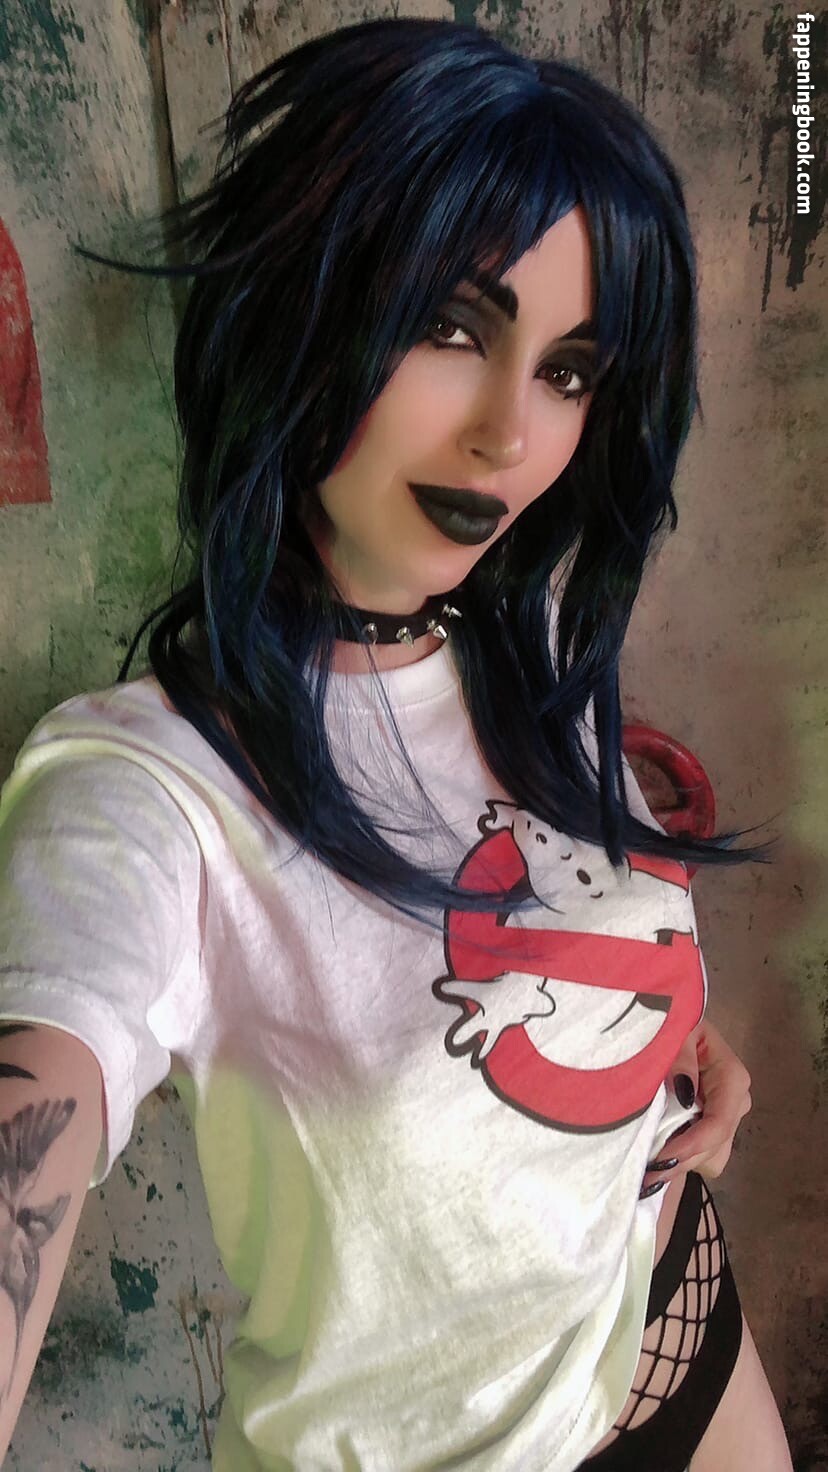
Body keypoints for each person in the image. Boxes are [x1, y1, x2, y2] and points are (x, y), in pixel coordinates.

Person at [0, 16, 793, 1471]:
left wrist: (673, 1035)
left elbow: (543, 942)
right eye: (452, 329)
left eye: (569, 371)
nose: (511, 435)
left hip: (681, 1330)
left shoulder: (531, 659)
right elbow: (34, 1110)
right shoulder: (148, 791)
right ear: (300, 314)